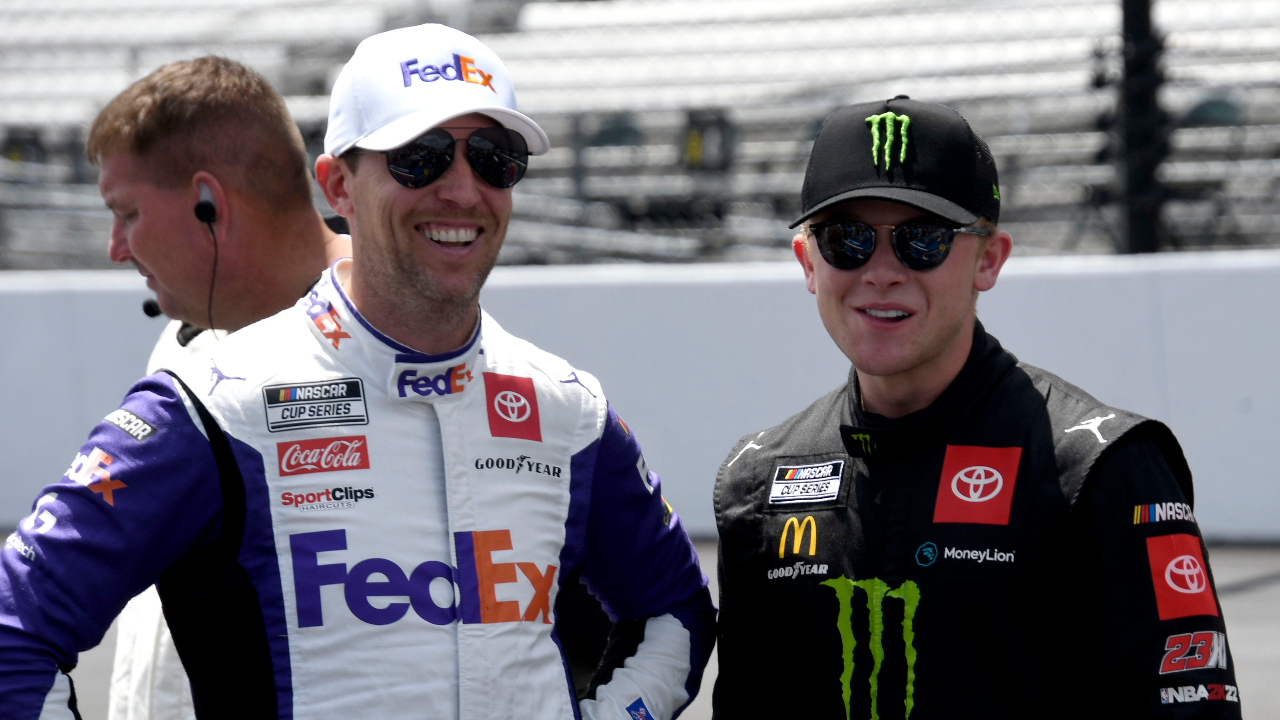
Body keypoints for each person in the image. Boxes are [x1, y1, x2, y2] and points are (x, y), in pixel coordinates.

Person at [1, 24, 714, 720]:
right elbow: (16, 630)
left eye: (493, 158)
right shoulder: (216, 407)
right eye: (419, 157)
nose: (463, 190)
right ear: (338, 185)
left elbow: (675, 612)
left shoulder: (565, 411)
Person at [712, 96, 1240, 719]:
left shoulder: (1102, 469)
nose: (881, 272)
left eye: (922, 240)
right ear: (808, 262)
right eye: (847, 240)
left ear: (988, 259)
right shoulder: (760, 480)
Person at [87, 56, 353, 720]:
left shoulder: (390, 338)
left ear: (208, 204)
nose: (116, 247)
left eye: (127, 213)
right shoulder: (187, 336)